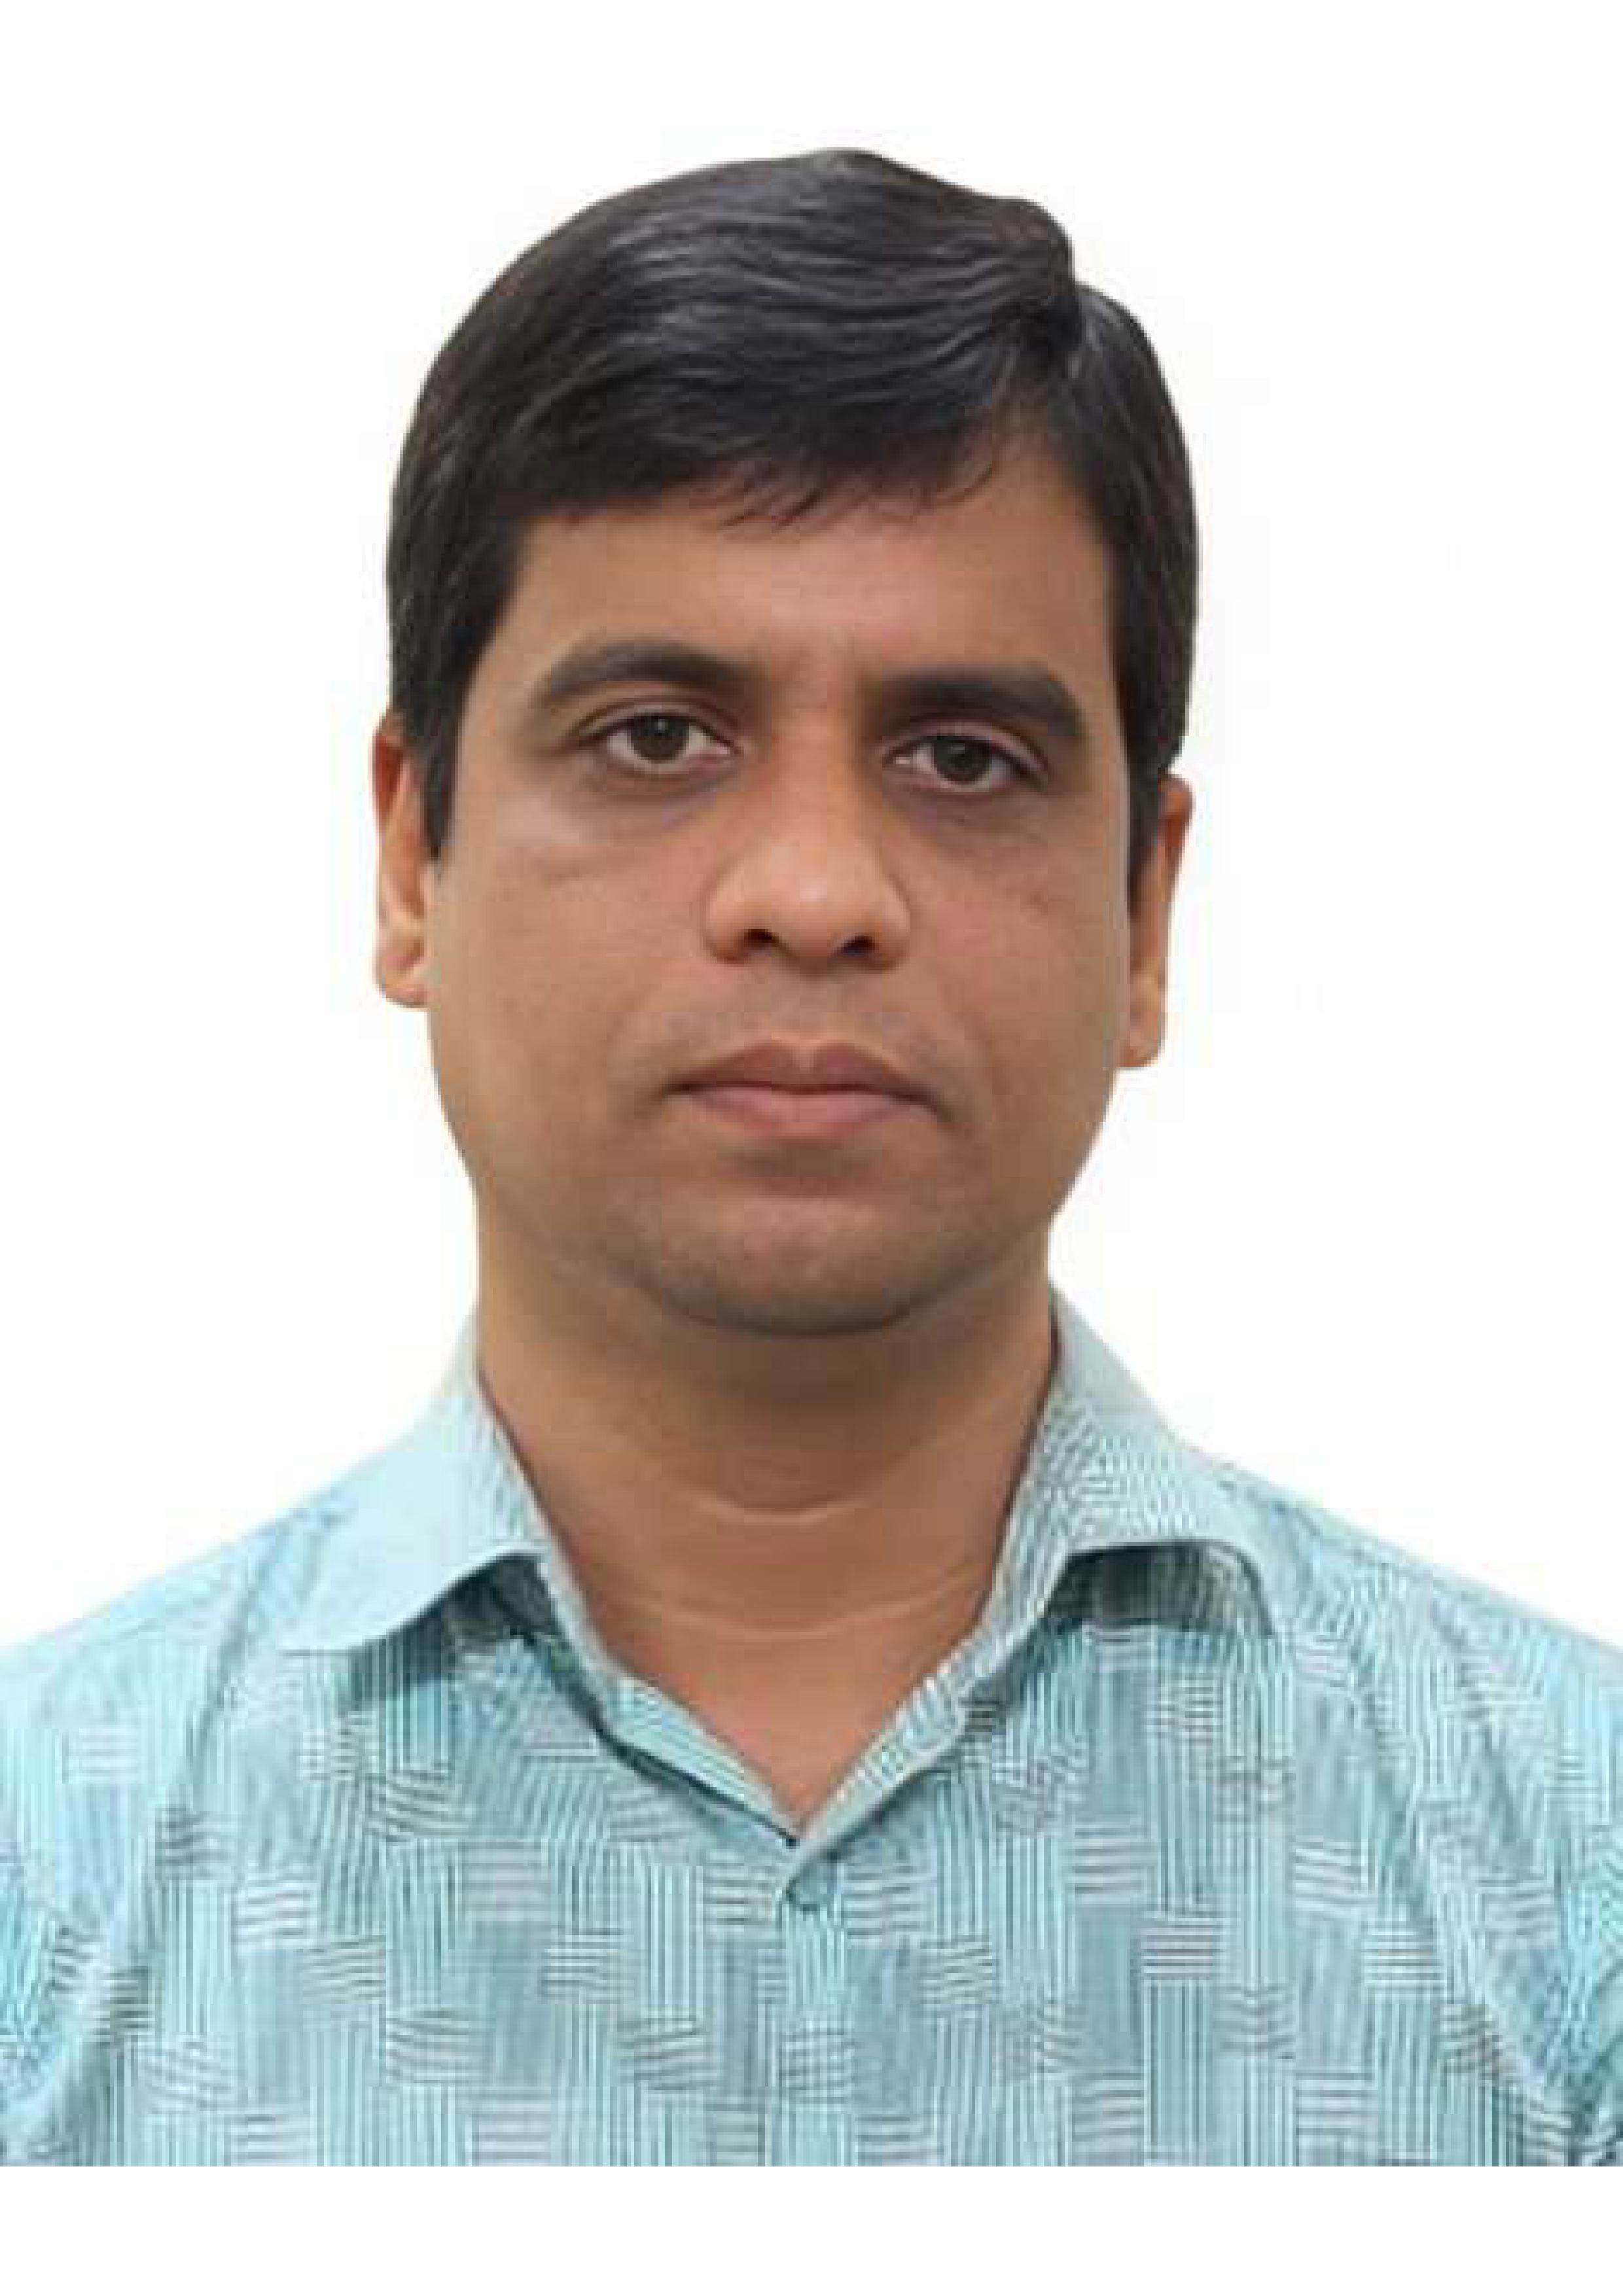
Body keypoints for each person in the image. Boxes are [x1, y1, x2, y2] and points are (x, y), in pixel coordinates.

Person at [2, 148, 1619, 2168]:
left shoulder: (1570, 1878)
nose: (815, 891)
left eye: (964, 758)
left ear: (1147, 911)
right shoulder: (45, 1885)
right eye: (657, 735)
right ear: (412, 857)